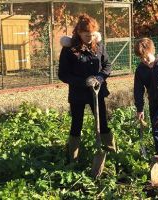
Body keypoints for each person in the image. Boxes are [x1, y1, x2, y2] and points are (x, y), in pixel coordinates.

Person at [58, 14, 116, 166]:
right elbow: (63, 74)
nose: (89, 38)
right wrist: (84, 82)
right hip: (78, 93)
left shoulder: (99, 46)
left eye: (91, 35)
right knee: (77, 124)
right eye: (86, 35)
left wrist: (99, 78)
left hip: (98, 91)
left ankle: (111, 153)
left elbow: (107, 66)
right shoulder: (69, 50)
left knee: (103, 122)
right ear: (79, 33)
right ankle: (73, 159)